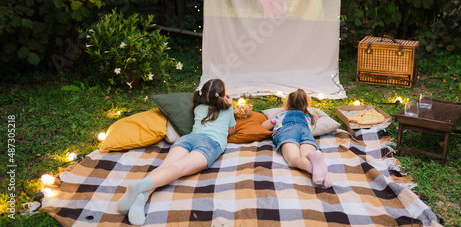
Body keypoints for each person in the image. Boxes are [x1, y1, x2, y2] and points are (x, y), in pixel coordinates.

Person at [117, 79, 236, 225]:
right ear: (222, 96)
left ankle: (142, 196)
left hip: (189, 138)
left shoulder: (198, 108)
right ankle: (141, 186)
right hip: (210, 143)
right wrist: (229, 104)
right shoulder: (227, 110)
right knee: (179, 168)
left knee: (165, 166)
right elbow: (231, 131)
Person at [261, 89, 332, 188]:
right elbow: (316, 117)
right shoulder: (308, 116)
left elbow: (264, 126)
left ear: (287, 105)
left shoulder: (281, 115)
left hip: (288, 132)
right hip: (305, 132)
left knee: (293, 159)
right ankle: (319, 167)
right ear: (305, 105)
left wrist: (276, 114)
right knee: (307, 154)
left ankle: (314, 170)